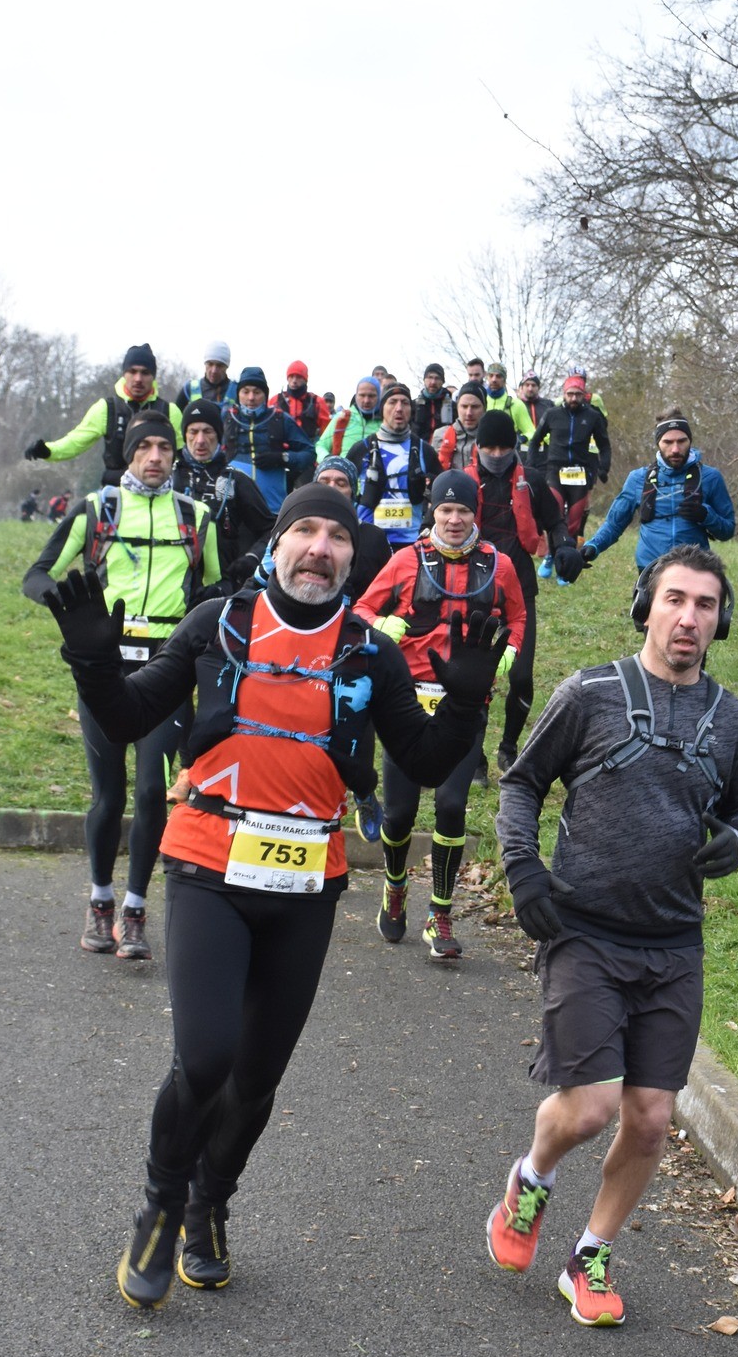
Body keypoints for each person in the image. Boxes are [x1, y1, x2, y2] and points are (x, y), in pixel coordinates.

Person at [41, 482, 507, 1306]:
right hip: (208, 864)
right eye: (306, 532)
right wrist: (90, 658)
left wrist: (468, 699)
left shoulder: (370, 651)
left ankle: (208, 1207)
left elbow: (429, 763)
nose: (320, 548)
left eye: (336, 536)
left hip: (305, 886)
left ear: (351, 558)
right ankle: (157, 1208)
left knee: (255, 1080)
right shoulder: (216, 624)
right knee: (207, 1056)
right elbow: (123, 719)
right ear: (279, 545)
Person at [487, 546, 738, 1325]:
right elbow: (522, 784)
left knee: (649, 1118)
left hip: (675, 941)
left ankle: (590, 1256)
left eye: (705, 605)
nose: (688, 617)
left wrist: (736, 844)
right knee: (590, 1109)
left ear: (720, 620)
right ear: (647, 604)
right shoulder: (590, 694)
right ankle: (530, 1181)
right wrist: (524, 873)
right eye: (675, 599)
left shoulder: (733, 721)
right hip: (585, 930)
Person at [22, 407, 221, 958]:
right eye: (143, 448)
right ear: (128, 454)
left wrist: (206, 608)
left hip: (167, 668)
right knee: (108, 796)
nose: (154, 457)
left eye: (163, 447)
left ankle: (135, 911)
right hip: (106, 669)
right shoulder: (96, 509)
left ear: (175, 453)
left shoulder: (196, 516)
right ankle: (100, 901)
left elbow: (219, 582)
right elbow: (36, 574)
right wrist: (70, 616)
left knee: (154, 791)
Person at [358, 470, 525, 958]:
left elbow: (517, 616)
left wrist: (510, 651)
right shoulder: (406, 560)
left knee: (452, 806)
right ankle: (394, 888)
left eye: (464, 511)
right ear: (432, 512)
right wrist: (383, 624)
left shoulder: (500, 565)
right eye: (445, 510)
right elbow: (362, 612)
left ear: (476, 514)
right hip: (407, 703)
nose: (454, 519)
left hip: (465, 705)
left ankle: (441, 913)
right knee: (401, 812)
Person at [466, 408, 581, 772]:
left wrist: (564, 545)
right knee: (474, 678)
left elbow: (555, 521)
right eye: (490, 447)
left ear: (514, 446)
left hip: (519, 591)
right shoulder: (462, 482)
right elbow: (433, 522)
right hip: (471, 591)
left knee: (521, 676)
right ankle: (475, 756)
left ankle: (509, 745)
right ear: (478, 446)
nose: (497, 455)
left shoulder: (530, 480)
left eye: (504, 447)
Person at [582, 412, 733, 581]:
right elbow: (614, 524)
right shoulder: (638, 478)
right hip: (651, 568)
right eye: (668, 442)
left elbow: (727, 530)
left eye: (681, 441)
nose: (675, 449)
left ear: (690, 441)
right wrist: (593, 546)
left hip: (696, 569)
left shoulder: (710, 477)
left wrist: (706, 515)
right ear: (658, 443)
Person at [25, 343, 182, 486]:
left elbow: (184, 456)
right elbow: (75, 442)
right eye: (132, 372)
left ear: (153, 376)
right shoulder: (106, 409)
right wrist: (47, 451)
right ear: (124, 374)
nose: (138, 379)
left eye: (145, 373)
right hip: (115, 492)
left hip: (158, 491)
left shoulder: (170, 412)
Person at [173, 399, 275, 593]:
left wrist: (251, 558)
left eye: (208, 431)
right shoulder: (169, 479)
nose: (200, 440)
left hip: (222, 590)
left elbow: (272, 530)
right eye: (193, 432)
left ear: (219, 436)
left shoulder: (236, 480)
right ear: (185, 435)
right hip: (173, 590)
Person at [529, 372, 612, 575]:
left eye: (577, 394)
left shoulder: (592, 416)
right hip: (555, 470)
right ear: (564, 394)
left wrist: (603, 467)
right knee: (554, 515)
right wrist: (532, 465)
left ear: (584, 395)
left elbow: (605, 445)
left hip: (579, 472)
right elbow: (535, 441)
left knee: (573, 521)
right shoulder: (552, 414)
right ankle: (550, 557)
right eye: (570, 394)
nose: (573, 398)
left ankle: (567, 563)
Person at [346, 382, 440, 549]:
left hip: (412, 543)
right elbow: (343, 491)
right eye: (392, 402)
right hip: (368, 540)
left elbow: (441, 497)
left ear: (411, 410)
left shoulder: (424, 450)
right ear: (382, 408)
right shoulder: (361, 449)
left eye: (405, 403)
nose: (399, 408)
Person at [221, 366, 315, 515]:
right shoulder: (227, 419)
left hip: (271, 508)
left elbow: (309, 453)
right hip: (234, 508)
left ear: (265, 395)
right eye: (246, 392)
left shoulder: (279, 419)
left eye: (257, 392)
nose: (251, 397)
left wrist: (282, 458)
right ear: (238, 394)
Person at [312, 455, 393, 598]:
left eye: (341, 483)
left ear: (353, 493)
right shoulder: (294, 528)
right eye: (324, 481)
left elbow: (390, 592)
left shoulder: (374, 537)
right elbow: (263, 580)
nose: (331, 488)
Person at [320, 375, 383, 461]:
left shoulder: (386, 422)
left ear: (379, 396)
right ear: (356, 396)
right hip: (344, 472)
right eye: (362, 395)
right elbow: (321, 446)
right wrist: (329, 461)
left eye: (371, 396)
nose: (366, 400)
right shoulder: (342, 417)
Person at [273, 360, 333, 447]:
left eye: (298, 377)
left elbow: (327, 434)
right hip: (281, 452)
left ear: (305, 379)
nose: (294, 380)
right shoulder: (275, 401)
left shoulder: (318, 402)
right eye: (291, 376)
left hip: (309, 451)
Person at [434, 379, 485, 470]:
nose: (469, 413)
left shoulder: (494, 437)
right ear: (457, 407)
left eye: (475, 407)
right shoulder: (440, 435)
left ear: (484, 408)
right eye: (464, 406)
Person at [481, 362, 535, 447]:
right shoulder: (480, 402)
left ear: (504, 380)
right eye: (491, 376)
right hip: (482, 455)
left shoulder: (516, 404)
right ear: (487, 378)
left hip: (507, 455)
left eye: (498, 376)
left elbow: (531, 433)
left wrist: (522, 439)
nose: (494, 379)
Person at [176, 342, 237, 413]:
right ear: (205, 364)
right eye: (210, 364)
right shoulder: (188, 389)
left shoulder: (238, 391)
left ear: (227, 366)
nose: (214, 371)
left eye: (219, 366)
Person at [412, 363, 454, 442]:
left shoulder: (453, 406)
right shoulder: (413, 405)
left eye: (437, 378)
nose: (433, 382)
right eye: (430, 377)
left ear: (443, 381)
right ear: (424, 380)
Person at [517, 369, 553, 435]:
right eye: (527, 385)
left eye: (533, 385)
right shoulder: (516, 405)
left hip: (544, 444)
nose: (530, 389)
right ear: (522, 387)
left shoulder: (548, 404)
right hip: (523, 443)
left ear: (538, 387)